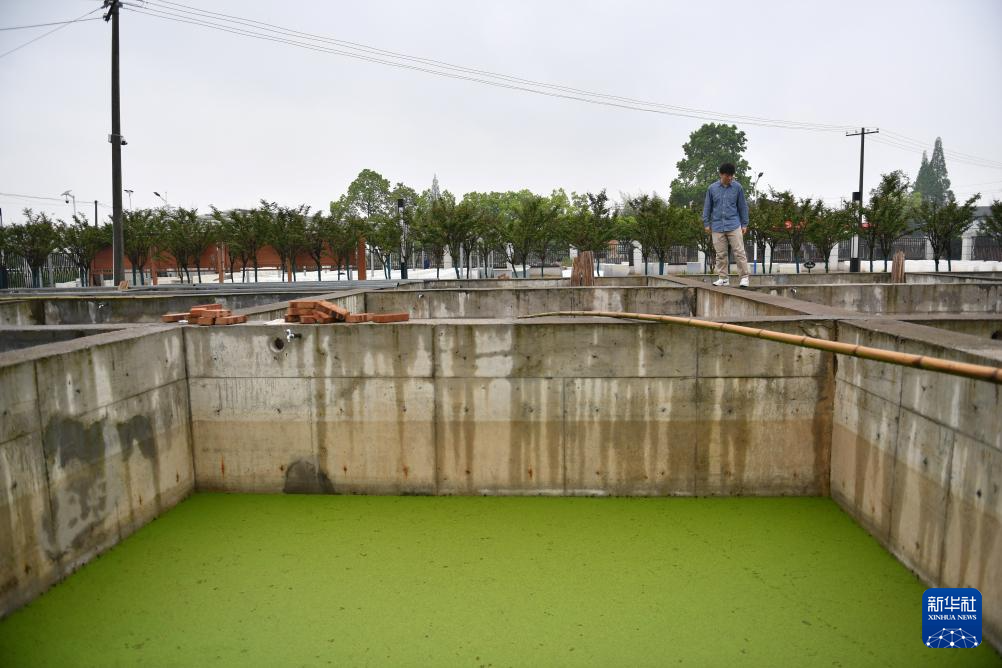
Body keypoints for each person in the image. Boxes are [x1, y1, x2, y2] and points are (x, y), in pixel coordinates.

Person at [702, 162, 750, 287]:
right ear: (721, 174)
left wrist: (744, 224)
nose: (730, 178)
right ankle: (723, 278)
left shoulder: (738, 187)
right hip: (717, 226)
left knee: (739, 252)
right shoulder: (712, 188)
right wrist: (706, 223)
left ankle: (744, 278)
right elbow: (707, 207)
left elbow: (743, 206)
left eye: (732, 175)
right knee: (720, 254)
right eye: (727, 175)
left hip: (734, 224)